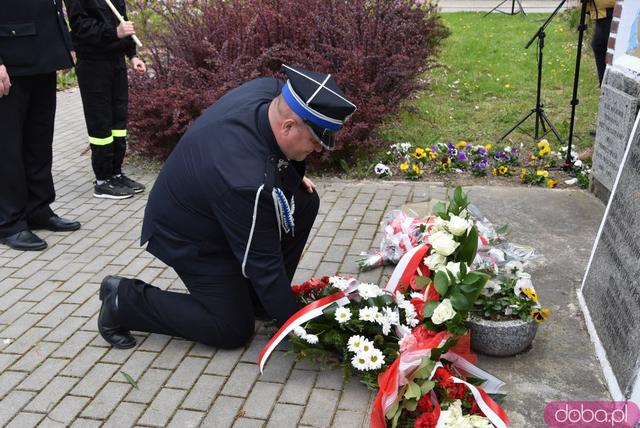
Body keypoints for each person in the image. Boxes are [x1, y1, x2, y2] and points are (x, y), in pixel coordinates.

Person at [96, 65, 357, 349]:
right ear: (288, 126)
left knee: (304, 201)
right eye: (315, 141)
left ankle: (260, 301)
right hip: (188, 233)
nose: (319, 149)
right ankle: (123, 300)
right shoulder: (245, 182)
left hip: (215, 204)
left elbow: (266, 154)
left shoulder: (270, 93)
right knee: (231, 329)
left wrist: (286, 171)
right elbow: (264, 264)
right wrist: (303, 329)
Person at [0, 0, 82, 252]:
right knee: (8, 148)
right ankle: (9, 221)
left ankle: (38, 208)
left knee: (40, 141)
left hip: (43, 55)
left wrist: (66, 43)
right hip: (10, 59)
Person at [65, 0, 147, 199]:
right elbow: (80, 27)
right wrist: (114, 33)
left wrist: (132, 55)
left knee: (118, 122)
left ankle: (116, 173)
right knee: (100, 124)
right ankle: (103, 180)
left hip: (116, 63)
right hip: (93, 64)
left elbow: (123, 23)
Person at [589, 0, 615, 86]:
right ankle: (605, 86)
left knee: (601, 47)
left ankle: (606, 87)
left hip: (610, 12)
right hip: (603, 13)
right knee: (600, 47)